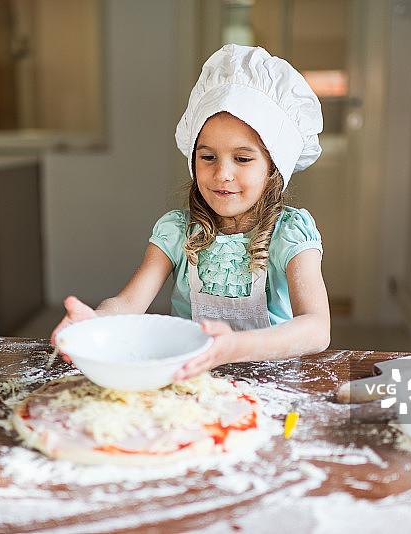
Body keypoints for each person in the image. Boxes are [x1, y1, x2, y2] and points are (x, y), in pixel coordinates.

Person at [52, 44, 330, 382]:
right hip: (191, 384)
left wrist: (235, 347)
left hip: (274, 384)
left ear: (274, 167)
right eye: (208, 156)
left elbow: (316, 329)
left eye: (242, 159)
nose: (222, 173)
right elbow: (128, 303)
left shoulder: (290, 234)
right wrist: (95, 324)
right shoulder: (177, 231)